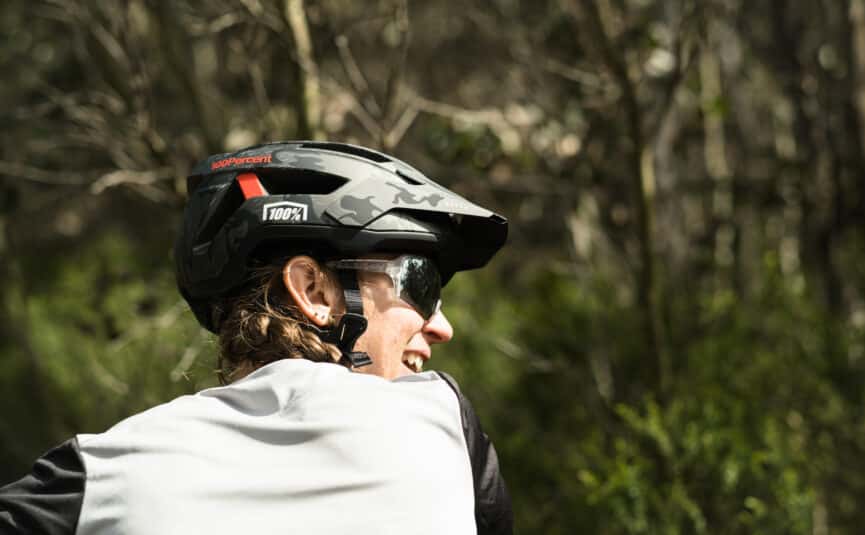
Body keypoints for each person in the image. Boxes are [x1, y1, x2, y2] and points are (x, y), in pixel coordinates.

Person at [0, 141, 512, 534]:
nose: (442, 327)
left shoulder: (96, 476)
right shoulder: (442, 428)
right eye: (420, 283)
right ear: (313, 290)